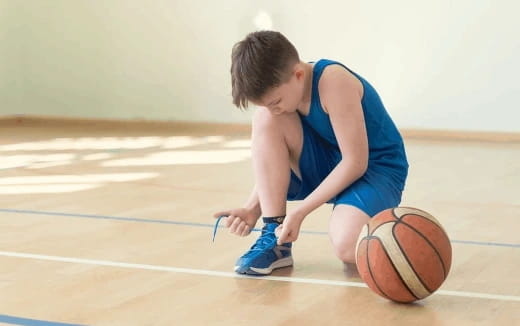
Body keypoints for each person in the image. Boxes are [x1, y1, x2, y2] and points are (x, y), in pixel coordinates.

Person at [213, 30, 408, 276]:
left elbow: (356, 162)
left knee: (349, 248)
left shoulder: (334, 81)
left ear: (298, 74)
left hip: (374, 167)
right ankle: (276, 240)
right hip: (329, 159)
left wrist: (301, 211)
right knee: (265, 118)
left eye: (276, 101)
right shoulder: (283, 98)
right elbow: (273, 157)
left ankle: (406, 242)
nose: (275, 109)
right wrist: (253, 207)